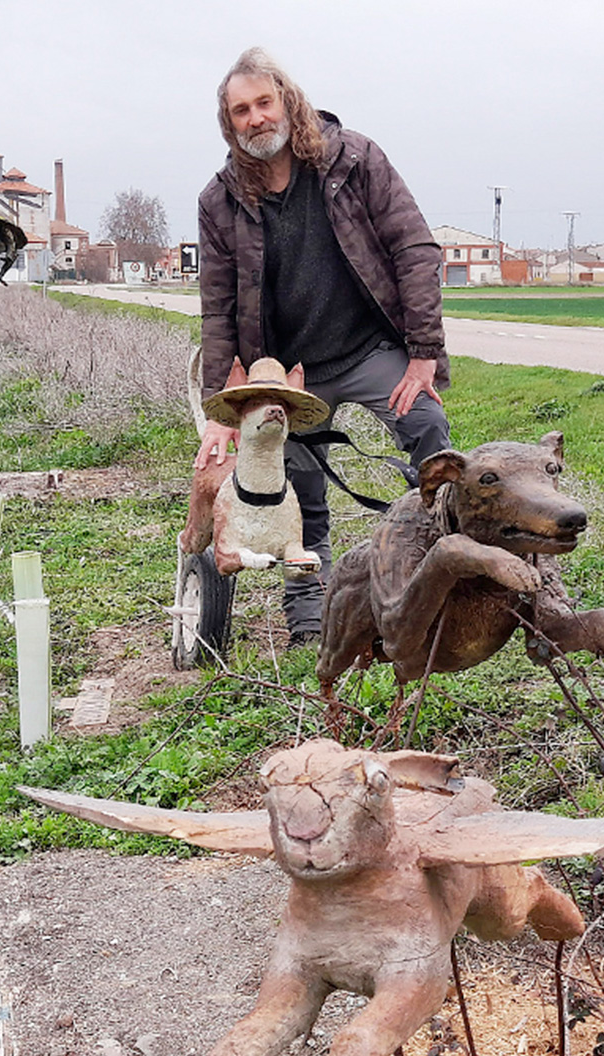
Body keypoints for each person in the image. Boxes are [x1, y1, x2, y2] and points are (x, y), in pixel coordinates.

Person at [197, 47, 452, 646]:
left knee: (429, 432)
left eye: (265, 102)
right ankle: (312, 612)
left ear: (287, 101)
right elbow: (219, 304)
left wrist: (423, 353)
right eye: (241, 111)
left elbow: (414, 248)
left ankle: (442, 571)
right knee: (302, 490)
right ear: (229, 124)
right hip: (290, 374)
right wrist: (222, 405)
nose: (256, 118)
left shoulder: (355, 160)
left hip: (370, 350)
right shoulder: (220, 200)